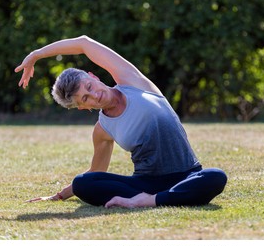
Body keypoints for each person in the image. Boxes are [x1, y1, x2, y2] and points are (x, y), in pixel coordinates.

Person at [15, 35, 227, 208]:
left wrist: (36, 55)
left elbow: (84, 43)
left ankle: (150, 201)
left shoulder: (132, 81)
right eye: (85, 99)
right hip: (145, 183)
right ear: (83, 107)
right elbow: (96, 172)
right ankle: (163, 198)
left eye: (89, 87)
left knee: (216, 177)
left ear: (93, 77)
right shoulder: (102, 130)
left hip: (187, 174)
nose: (94, 95)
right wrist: (59, 196)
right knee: (83, 183)